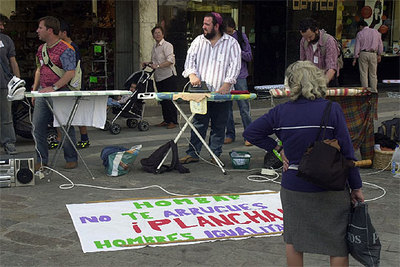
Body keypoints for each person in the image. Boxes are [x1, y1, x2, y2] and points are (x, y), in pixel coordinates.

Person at [243, 61, 364, 267]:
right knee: (337, 243)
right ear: (318, 81)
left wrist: (278, 148)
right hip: (332, 184)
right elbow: (347, 153)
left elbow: (251, 133)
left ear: (291, 84)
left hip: (294, 185)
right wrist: (356, 187)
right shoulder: (332, 109)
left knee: (294, 241)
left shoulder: (280, 112)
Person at [180, 12, 241, 164]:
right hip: (201, 93)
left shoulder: (231, 43)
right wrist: (192, 75)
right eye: (203, 24)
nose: (203, 27)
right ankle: (192, 153)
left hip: (222, 94)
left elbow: (235, 66)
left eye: (207, 24)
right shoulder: (198, 41)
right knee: (198, 123)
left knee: (219, 125)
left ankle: (215, 154)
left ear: (216, 26)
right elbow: (189, 62)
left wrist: (227, 84)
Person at [31, 16, 78, 170]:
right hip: (42, 92)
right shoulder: (41, 49)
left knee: (65, 126)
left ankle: (71, 158)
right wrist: (34, 88)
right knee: (37, 126)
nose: (37, 31)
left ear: (50, 30)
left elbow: (70, 72)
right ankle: (41, 160)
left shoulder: (66, 49)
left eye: (40, 28)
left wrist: (55, 87)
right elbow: (40, 69)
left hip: (60, 93)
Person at [223, 16, 253, 147]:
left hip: (240, 75)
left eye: (230, 32)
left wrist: (237, 52)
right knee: (226, 107)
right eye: (226, 32)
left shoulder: (241, 36)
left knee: (244, 107)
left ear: (234, 28)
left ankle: (249, 135)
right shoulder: (221, 38)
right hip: (225, 75)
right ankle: (230, 134)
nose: (228, 35)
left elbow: (249, 55)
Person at [142, 26, 178, 129]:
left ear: (163, 34)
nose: (157, 34)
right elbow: (155, 62)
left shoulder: (167, 45)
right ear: (153, 35)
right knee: (162, 100)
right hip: (158, 77)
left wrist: (157, 66)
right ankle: (166, 120)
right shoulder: (154, 47)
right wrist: (148, 63)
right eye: (155, 33)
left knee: (169, 99)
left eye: (159, 32)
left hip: (168, 76)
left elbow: (171, 60)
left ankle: (173, 121)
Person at [0, 13, 20, 155]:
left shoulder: (6, 40)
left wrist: (17, 81)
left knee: (6, 116)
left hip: (4, 83)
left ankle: (9, 142)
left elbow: (13, 61)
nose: (2, 27)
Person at [299, 18, 339, 86]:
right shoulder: (303, 41)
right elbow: (302, 63)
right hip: (310, 82)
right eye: (305, 37)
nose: (308, 40)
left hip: (327, 81)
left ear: (316, 30)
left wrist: (321, 85)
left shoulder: (329, 41)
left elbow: (331, 68)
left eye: (310, 37)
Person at [352, 20, 383, 93]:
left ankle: (365, 90)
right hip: (373, 54)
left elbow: (357, 47)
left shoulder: (360, 33)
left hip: (363, 53)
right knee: (373, 73)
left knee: (363, 73)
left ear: (360, 26)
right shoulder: (376, 32)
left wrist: (355, 58)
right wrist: (379, 54)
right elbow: (380, 44)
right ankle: (374, 90)